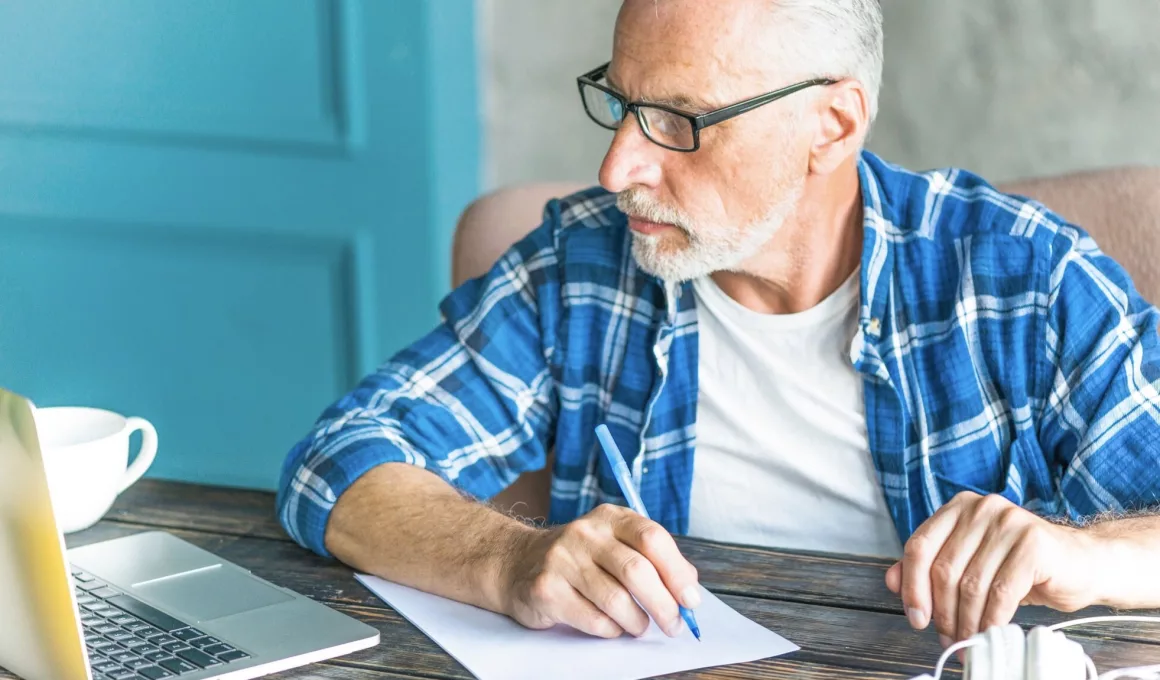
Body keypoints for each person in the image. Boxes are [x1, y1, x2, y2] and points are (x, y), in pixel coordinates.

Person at [277, 0, 1160, 651]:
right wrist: (509, 562)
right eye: (622, 103)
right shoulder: (584, 266)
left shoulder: (1022, 277)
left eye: (679, 121)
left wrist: (1085, 554)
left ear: (832, 124)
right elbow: (338, 461)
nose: (618, 163)